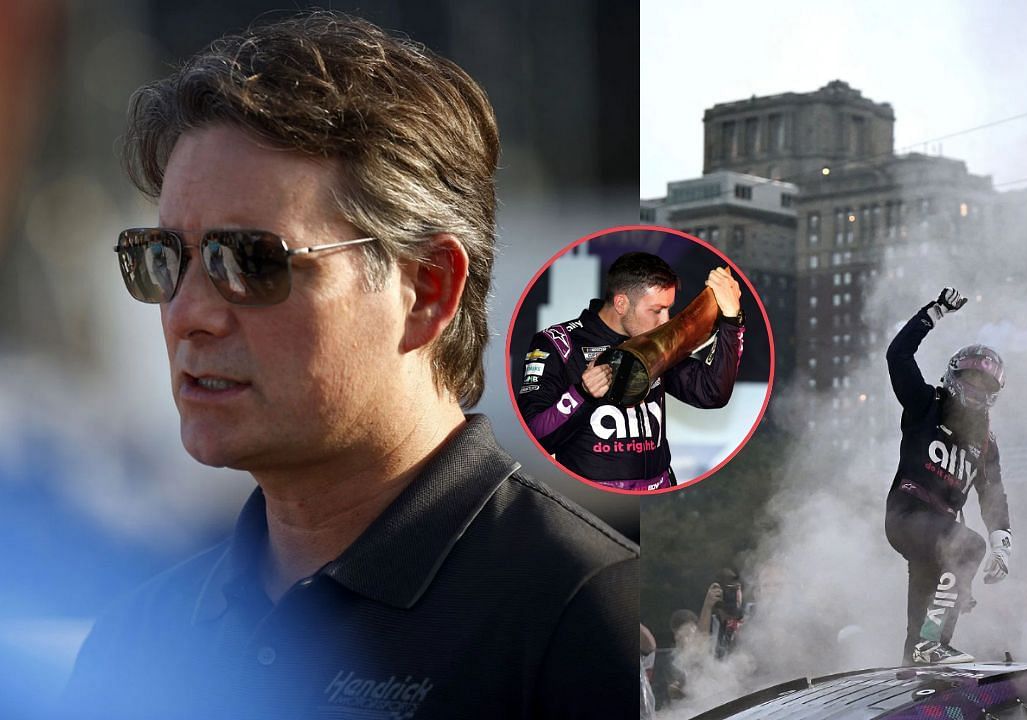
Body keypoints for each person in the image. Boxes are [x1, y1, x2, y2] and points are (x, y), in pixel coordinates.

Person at [68, 12, 637, 719]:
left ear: (427, 289)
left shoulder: (584, 616)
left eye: (249, 260)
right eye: (162, 257)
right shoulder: (133, 641)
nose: (189, 313)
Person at [517, 251, 744, 490]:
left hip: (657, 498)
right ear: (621, 303)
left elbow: (711, 392)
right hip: (595, 504)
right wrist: (581, 395)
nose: (666, 320)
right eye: (656, 310)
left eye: (668, 309)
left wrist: (731, 321)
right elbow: (534, 439)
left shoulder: (656, 341)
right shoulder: (559, 343)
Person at [884, 288, 1011, 665]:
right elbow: (898, 356)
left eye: (985, 385)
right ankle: (929, 644)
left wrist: (1003, 542)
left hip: (936, 530)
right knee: (968, 547)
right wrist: (934, 312)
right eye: (970, 379)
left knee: (921, 627)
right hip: (907, 516)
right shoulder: (926, 405)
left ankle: (919, 662)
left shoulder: (985, 443)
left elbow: (993, 495)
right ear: (954, 375)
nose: (975, 389)